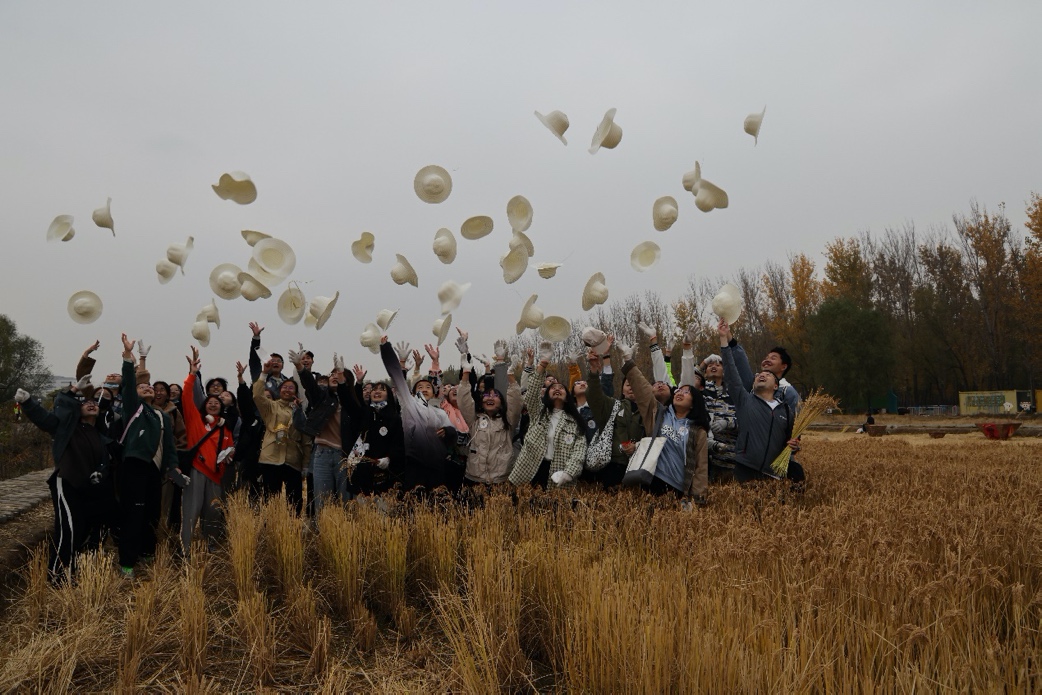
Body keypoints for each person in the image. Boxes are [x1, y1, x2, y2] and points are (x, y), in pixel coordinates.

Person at [16, 377, 118, 583]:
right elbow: (44, 418)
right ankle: (57, 577)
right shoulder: (66, 429)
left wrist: (100, 472)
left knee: (86, 530)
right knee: (68, 530)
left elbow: (105, 461)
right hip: (67, 482)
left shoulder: (100, 435)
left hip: (89, 489)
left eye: (94, 402)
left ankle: (76, 571)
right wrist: (28, 402)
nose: (91, 404)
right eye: (85, 402)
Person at [116, 333, 181, 578]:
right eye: (143, 386)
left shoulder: (162, 416)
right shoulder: (134, 409)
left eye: (150, 387)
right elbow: (129, 384)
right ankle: (127, 562)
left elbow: (170, 447)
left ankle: (147, 553)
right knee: (133, 514)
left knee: (152, 514)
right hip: (134, 467)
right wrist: (128, 356)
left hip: (155, 471)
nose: (148, 388)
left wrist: (174, 467)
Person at [619, 340, 710, 503]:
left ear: (694, 403)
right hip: (650, 480)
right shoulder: (658, 414)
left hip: (677, 489)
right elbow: (643, 389)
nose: (679, 393)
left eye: (686, 392)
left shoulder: (698, 431)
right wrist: (629, 362)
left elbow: (700, 467)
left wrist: (698, 499)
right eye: (678, 390)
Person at [718, 318, 804, 485]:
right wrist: (726, 338)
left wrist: (794, 446)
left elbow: (794, 434)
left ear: (783, 367)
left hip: (775, 470)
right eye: (766, 357)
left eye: (773, 358)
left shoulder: (788, 397)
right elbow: (736, 367)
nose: (766, 360)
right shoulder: (748, 395)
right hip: (747, 465)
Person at [381, 337, 456, 492]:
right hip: (415, 465)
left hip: (437, 466)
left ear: (434, 393)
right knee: (415, 501)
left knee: (437, 502)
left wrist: (447, 431)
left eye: (428, 387)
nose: (424, 389)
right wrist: (386, 348)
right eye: (419, 387)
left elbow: (453, 435)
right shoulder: (409, 406)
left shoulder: (440, 412)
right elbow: (396, 376)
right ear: (413, 393)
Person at [509, 343, 588, 489]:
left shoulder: (575, 422)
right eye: (553, 388)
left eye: (561, 388)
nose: (557, 389)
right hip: (530, 470)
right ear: (547, 395)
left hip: (559, 474)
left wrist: (569, 473)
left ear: (567, 397)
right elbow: (531, 393)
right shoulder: (538, 412)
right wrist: (542, 364)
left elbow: (579, 452)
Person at [180, 348, 235, 555]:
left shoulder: (225, 428)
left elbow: (230, 450)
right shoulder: (195, 420)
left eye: (216, 403)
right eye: (209, 402)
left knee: (213, 512)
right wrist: (192, 374)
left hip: (216, 475)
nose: (213, 404)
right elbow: (186, 396)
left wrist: (229, 455)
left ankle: (210, 545)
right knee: (191, 511)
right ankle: (185, 549)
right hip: (196, 469)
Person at [457, 332, 521, 486]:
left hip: (500, 481)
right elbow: (464, 401)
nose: (490, 398)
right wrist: (466, 374)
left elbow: (515, 402)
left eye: (495, 395)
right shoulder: (475, 419)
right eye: (486, 395)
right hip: (474, 479)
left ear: (502, 402)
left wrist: (510, 377)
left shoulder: (508, 421)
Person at [338, 362, 404, 495]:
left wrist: (389, 458)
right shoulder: (364, 413)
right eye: (374, 389)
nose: (377, 391)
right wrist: (341, 379)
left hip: (384, 470)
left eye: (382, 389)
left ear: (389, 395)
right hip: (361, 468)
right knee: (360, 503)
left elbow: (398, 443)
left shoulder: (394, 417)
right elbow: (348, 402)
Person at [253, 358, 309, 514]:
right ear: (279, 390)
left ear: (296, 392)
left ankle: (292, 528)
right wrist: (264, 373)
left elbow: (306, 440)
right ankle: (271, 527)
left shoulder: (301, 412)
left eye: (291, 388)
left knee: (295, 501)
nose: (287, 390)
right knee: (270, 500)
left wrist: (305, 464)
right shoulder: (271, 407)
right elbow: (257, 396)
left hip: (293, 460)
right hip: (271, 458)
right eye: (284, 387)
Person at [584, 349, 646, 489]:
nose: (632, 387)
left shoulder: (649, 411)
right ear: (622, 389)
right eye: (628, 384)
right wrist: (593, 370)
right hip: (613, 466)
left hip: (640, 466)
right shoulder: (613, 406)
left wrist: (637, 446)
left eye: (635, 384)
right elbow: (594, 396)